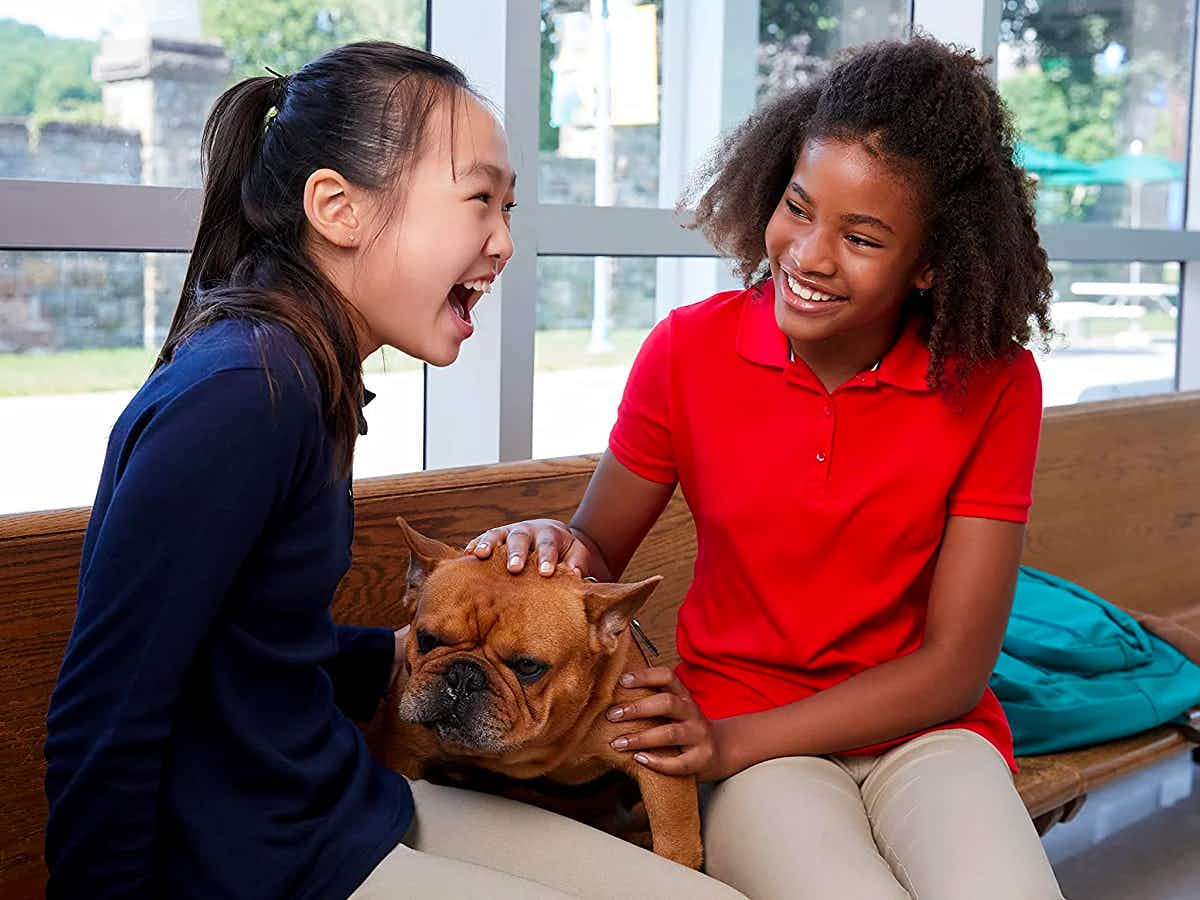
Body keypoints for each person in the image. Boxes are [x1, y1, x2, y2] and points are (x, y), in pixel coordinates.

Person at [44, 41, 744, 900]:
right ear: (337, 207)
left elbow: (249, 650)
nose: (505, 241)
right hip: (263, 862)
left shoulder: (300, 372)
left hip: (335, 806)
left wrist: (414, 649)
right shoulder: (240, 396)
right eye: (480, 200)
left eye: (510, 208)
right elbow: (103, 714)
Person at [470, 36, 1065, 900]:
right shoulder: (688, 351)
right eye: (798, 206)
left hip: (923, 732)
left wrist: (731, 743)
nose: (809, 255)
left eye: (862, 237)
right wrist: (548, 543)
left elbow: (955, 666)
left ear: (933, 263)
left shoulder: (995, 382)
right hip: (735, 717)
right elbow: (595, 551)